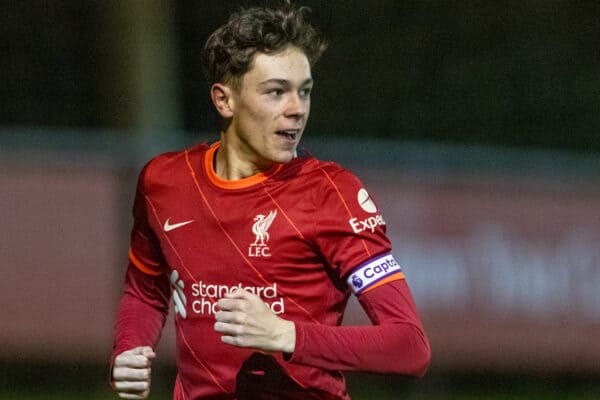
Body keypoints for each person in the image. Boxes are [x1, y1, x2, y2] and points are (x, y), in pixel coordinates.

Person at [110, 2, 430, 399]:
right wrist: (127, 350)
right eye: (276, 92)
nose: (297, 109)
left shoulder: (331, 194)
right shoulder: (164, 182)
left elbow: (409, 346)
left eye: (304, 92)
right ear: (224, 100)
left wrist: (286, 334)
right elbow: (145, 287)